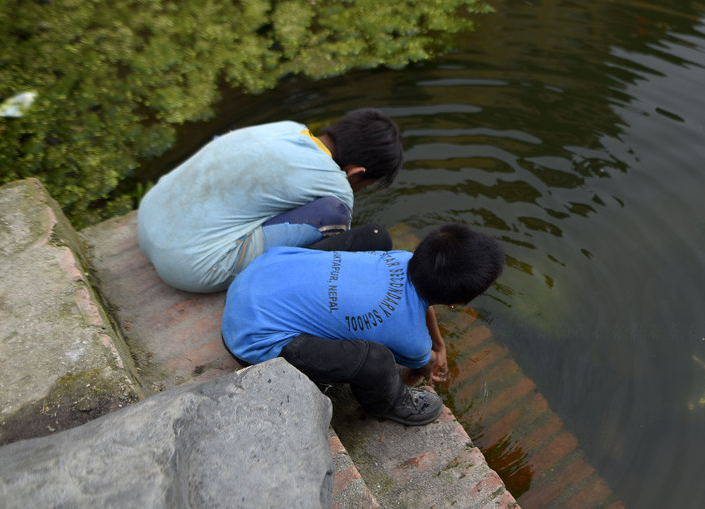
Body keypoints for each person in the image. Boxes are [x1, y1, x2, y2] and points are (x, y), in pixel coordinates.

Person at [221, 223, 506, 426]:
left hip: (259, 274)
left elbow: (424, 302)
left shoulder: (403, 259)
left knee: (376, 235)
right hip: (253, 335)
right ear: (457, 303)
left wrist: (439, 344)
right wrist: (433, 361)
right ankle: (389, 404)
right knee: (376, 360)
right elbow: (423, 367)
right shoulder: (412, 340)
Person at [137, 109, 402, 293]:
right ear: (356, 172)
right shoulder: (338, 188)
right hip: (187, 265)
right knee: (333, 214)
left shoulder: (288, 128)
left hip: (148, 218)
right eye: (363, 186)